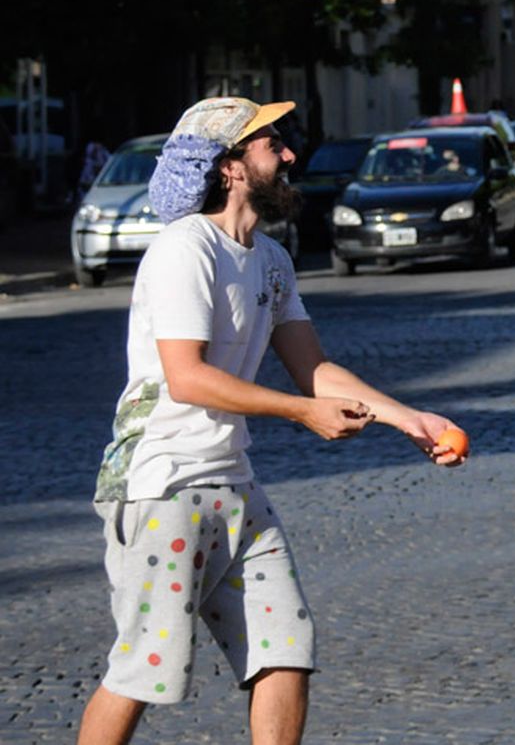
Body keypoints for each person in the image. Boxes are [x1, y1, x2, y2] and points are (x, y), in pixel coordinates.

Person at [78, 97, 465, 745]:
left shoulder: (271, 260)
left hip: (233, 485)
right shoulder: (184, 250)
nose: (288, 155)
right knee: (145, 667)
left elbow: (314, 368)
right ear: (228, 166)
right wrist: (301, 411)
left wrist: (410, 418)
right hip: (161, 487)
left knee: (285, 645)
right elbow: (188, 376)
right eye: (271, 145)